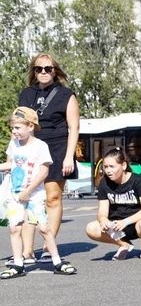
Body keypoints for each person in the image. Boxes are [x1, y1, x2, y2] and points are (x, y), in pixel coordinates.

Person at [17, 53, 79, 263]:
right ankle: (26, 251)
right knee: (27, 199)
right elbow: (19, 124)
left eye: (48, 68)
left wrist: (69, 156)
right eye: (39, 68)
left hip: (58, 147)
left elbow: (74, 127)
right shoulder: (26, 94)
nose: (43, 72)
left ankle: (47, 246)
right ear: (33, 71)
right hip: (32, 148)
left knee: (52, 198)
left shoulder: (66, 94)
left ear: (55, 71)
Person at [1, 107, 76, 277]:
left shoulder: (40, 146)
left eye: (18, 127)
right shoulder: (14, 145)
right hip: (15, 194)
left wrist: (28, 191)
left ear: (30, 126)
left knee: (43, 227)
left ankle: (57, 261)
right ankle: (18, 264)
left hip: (34, 194)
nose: (14, 131)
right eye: (13, 128)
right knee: (14, 228)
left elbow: (44, 172)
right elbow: (11, 164)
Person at [85, 146, 141, 260]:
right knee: (91, 228)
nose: (108, 170)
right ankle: (124, 244)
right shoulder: (104, 183)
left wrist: (126, 221)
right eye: (105, 167)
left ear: (123, 166)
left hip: (138, 222)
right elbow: (102, 211)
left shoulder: (138, 181)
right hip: (117, 227)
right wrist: (103, 219)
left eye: (112, 166)